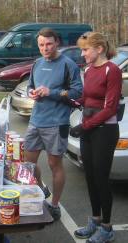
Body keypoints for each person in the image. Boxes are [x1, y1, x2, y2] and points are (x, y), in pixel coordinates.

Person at [24, 28, 83, 221]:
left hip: (57, 123)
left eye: (48, 44)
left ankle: (55, 204)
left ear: (57, 42)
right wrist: (31, 93)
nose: (45, 48)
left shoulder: (68, 65)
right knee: (28, 164)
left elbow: (77, 93)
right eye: (41, 44)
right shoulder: (37, 63)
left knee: (53, 164)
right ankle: (41, 188)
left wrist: (52, 92)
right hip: (36, 120)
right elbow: (29, 86)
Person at [71, 32, 121, 243]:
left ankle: (107, 228)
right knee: (90, 177)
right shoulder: (89, 70)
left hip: (104, 131)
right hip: (89, 129)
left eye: (85, 49)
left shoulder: (113, 70)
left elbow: (110, 108)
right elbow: (86, 99)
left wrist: (84, 126)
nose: (82, 54)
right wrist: (66, 98)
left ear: (99, 49)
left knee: (101, 179)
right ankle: (95, 220)